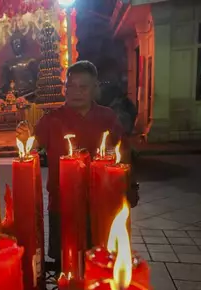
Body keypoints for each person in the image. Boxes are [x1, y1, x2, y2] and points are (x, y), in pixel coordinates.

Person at [17, 60, 138, 272]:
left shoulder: (107, 117)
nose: (76, 92)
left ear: (94, 89)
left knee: (99, 257)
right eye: (71, 86)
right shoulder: (52, 120)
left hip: (100, 203)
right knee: (66, 261)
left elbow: (124, 153)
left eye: (83, 87)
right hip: (62, 205)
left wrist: (129, 186)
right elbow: (30, 146)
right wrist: (25, 138)